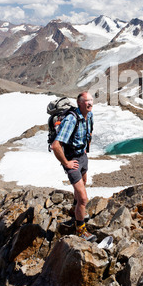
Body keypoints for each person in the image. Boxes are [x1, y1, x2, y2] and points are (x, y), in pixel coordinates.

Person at [51, 91, 95, 241]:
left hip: (82, 157)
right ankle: (81, 230)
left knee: (82, 184)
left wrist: (85, 151)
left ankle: (75, 211)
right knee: (83, 199)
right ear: (79, 103)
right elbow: (56, 146)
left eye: (91, 100)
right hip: (72, 160)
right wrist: (66, 163)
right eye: (86, 101)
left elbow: (89, 133)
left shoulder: (89, 116)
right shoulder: (71, 119)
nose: (90, 103)